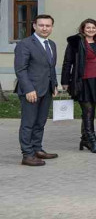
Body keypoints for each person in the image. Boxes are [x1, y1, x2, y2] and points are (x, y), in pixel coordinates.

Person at [16, 14, 59, 166]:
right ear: (34, 26)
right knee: (28, 123)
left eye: (48, 25)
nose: (45, 28)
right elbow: (21, 69)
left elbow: (51, 67)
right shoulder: (25, 44)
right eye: (41, 25)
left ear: (52, 27)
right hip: (31, 91)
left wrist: (54, 84)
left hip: (46, 89)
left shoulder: (52, 44)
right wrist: (28, 89)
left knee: (40, 122)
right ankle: (27, 155)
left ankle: (37, 149)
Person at [62, 18, 96, 154]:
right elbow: (67, 62)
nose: (91, 30)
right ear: (83, 29)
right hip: (81, 80)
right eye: (88, 28)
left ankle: (85, 139)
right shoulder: (75, 42)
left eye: (93, 28)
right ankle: (92, 140)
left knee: (90, 111)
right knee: (88, 111)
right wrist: (65, 81)